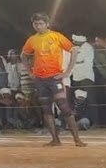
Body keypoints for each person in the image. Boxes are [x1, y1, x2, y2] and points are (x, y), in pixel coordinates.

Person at [21, 14, 87, 146]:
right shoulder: (32, 40)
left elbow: (73, 50)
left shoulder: (56, 36)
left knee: (64, 108)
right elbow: (24, 55)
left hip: (54, 78)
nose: (38, 26)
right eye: (35, 24)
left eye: (40, 23)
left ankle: (77, 139)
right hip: (40, 79)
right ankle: (55, 140)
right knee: (46, 110)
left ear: (47, 24)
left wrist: (67, 72)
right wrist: (30, 72)